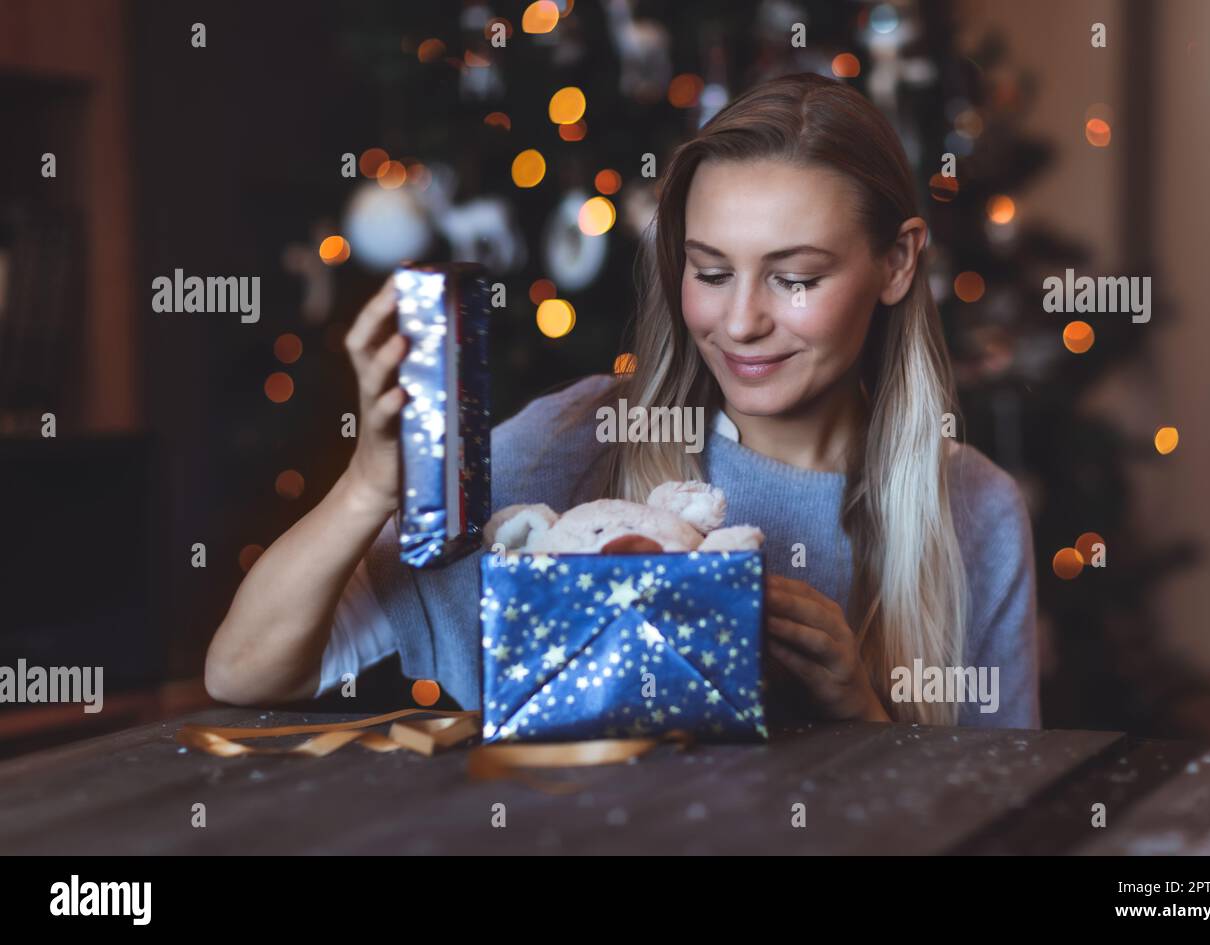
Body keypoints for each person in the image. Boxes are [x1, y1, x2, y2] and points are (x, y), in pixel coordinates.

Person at [205, 73, 1039, 728]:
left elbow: (1007, 819)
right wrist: (366, 488)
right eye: (710, 272)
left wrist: (861, 715)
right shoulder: (574, 442)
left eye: (795, 278)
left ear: (897, 263)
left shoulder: (976, 510)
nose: (740, 321)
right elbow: (244, 671)